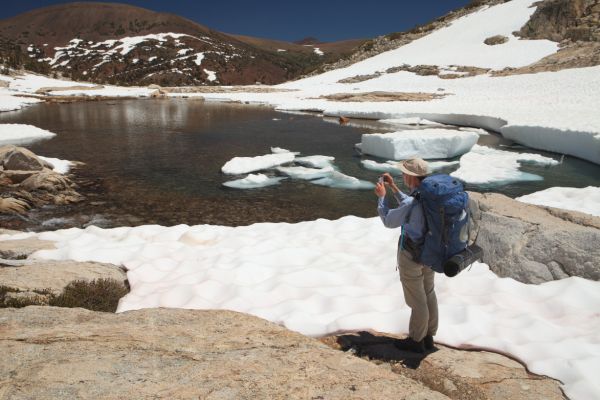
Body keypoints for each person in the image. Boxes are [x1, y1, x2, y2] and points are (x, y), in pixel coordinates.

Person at [374, 157, 437, 353]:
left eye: (404, 174)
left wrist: (382, 197)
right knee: (428, 293)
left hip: (412, 255)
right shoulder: (429, 195)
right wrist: (393, 188)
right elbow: (409, 204)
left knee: (417, 300)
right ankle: (428, 337)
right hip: (431, 252)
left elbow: (388, 220)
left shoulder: (413, 202)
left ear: (411, 177)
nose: (402, 176)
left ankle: (416, 341)